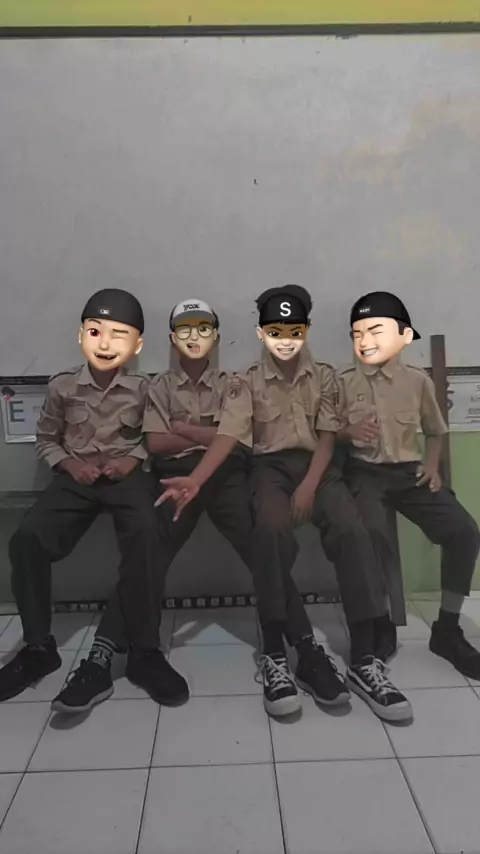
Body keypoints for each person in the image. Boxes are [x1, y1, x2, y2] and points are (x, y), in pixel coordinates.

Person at [159, 286, 412, 722]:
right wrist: (196, 480)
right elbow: (229, 434)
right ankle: (275, 653)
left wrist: (310, 486)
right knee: (269, 530)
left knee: (352, 530)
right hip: (269, 469)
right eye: (276, 331)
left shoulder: (325, 376)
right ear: (261, 333)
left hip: (318, 468)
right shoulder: (246, 381)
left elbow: (328, 435)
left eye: (294, 330)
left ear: (306, 330)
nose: (286, 339)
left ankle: (364, 659)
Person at [0, 289, 188, 712]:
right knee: (26, 539)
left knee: (148, 534)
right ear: (81, 335)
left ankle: (145, 651)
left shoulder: (145, 389)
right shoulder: (63, 386)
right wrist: (70, 464)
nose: (105, 343)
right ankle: (37, 648)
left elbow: (153, 439)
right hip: (77, 478)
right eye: (95, 332)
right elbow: (46, 440)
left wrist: (131, 460)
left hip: (128, 478)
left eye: (119, 335)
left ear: (137, 345)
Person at [146, 297, 328, 718]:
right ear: (172, 339)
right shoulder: (159, 386)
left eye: (203, 329)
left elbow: (239, 438)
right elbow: (155, 443)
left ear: (217, 337)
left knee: (265, 550)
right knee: (148, 547)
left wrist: (185, 429)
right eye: (185, 329)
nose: (194, 337)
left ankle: (303, 648)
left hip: (227, 477)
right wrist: (208, 434)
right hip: (176, 479)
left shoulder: (235, 383)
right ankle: (125, 649)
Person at [336, 290, 480, 687]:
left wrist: (432, 466)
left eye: (377, 331)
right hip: (364, 473)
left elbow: (435, 431)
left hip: (409, 474)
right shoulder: (343, 382)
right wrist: (348, 432)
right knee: (370, 537)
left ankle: (447, 629)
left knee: (464, 531)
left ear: (403, 336)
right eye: (358, 333)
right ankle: (380, 623)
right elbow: (328, 434)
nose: (366, 340)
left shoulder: (417, 381)